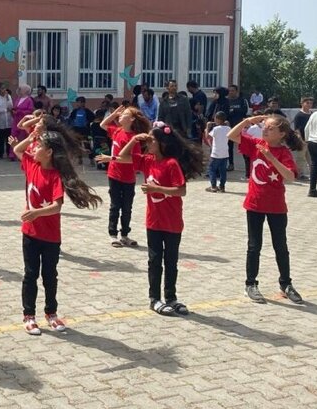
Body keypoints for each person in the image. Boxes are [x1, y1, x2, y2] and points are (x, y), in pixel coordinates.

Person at [12, 127, 102, 335]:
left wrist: (35, 212)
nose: (34, 148)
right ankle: (29, 316)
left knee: (50, 275)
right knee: (30, 274)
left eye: (39, 146)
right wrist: (32, 136)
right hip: (30, 234)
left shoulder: (55, 176)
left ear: (50, 152)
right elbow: (17, 149)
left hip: (51, 236)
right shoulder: (31, 164)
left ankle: (51, 313)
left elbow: (56, 206)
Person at [114, 121, 203, 316]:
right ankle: (154, 298)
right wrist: (135, 139)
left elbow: (181, 190)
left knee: (171, 261)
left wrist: (157, 189)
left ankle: (171, 297)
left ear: (162, 142)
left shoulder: (171, 163)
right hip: (153, 221)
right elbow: (122, 156)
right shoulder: (147, 160)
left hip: (172, 221)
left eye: (152, 140)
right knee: (154, 260)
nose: (148, 143)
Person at [227, 114, 304, 305]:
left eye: (270, 128)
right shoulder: (255, 143)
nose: (265, 129)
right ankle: (251, 283)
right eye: (265, 126)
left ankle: (285, 283)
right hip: (255, 203)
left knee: (281, 246)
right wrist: (248, 121)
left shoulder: (284, 153)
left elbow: (290, 177)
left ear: (281, 134)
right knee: (254, 246)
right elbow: (231, 135)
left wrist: (270, 157)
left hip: (276, 205)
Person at [95, 105, 151, 247]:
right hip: (114, 175)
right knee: (115, 206)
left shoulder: (134, 138)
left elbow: (132, 159)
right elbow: (102, 124)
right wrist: (113, 113)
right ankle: (113, 234)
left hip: (128, 177)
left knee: (127, 207)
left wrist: (111, 158)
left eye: (124, 114)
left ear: (131, 119)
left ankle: (125, 234)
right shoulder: (117, 131)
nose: (120, 115)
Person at [224, 85, 249, 171]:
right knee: (229, 146)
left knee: (243, 146)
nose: (231, 92)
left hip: (240, 126)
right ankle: (231, 164)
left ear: (236, 91)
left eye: (233, 91)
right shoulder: (226, 101)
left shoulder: (242, 100)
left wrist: (235, 111)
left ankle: (247, 165)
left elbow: (245, 111)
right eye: (229, 91)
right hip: (229, 127)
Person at [205, 111, 230, 192]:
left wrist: (207, 127)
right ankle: (222, 186)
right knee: (223, 171)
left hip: (216, 153)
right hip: (225, 153)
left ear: (218, 119)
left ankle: (213, 186)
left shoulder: (216, 129)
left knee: (212, 169)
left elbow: (207, 137)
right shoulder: (228, 128)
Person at [10, 85, 35, 160]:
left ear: (26, 91)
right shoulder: (18, 99)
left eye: (21, 89)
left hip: (24, 121)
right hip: (16, 120)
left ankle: (23, 153)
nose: (19, 90)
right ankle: (12, 154)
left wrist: (20, 112)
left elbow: (30, 110)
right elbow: (14, 107)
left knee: (24, 137)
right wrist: (14, 111)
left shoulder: (29, 100)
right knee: (13, 136)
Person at [292, 97, 314, 180]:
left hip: (311, 139)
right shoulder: (299, 115)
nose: (309, 105)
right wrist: (301, 140)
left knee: (311, 158)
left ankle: (313, 173)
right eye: (307, 103)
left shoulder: (312, 114)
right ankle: (299, 174)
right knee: (300, 158)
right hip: (302, 139)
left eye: (310, 103)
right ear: (302, 103)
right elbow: (297, 129)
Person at [0, 83, 14, 160]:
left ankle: (9, 153)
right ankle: (1, 153)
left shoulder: (8, 96)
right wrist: (7, 110)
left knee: (9, 139)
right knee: (1, 139)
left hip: (9, 121)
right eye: (2, 88)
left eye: (5, 88)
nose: (4, 90)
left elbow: (11, 107)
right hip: (1, 121)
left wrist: (8, 99)